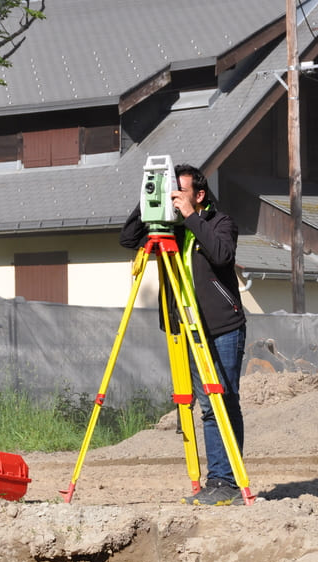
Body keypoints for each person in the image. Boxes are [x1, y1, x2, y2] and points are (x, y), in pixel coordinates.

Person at [120, 164, 247, 506]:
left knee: (221, 402)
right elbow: (128, 238)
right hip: (186, 328)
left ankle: (226, 481)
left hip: (221, 329)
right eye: (169, 192)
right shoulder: (170, 228)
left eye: (178, 192)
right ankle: (216, 481)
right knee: (206, 405)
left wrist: (191, 216)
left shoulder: (220, 222)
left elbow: (221, 254)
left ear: (199, 195)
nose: (172, 198)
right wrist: (150, 198)